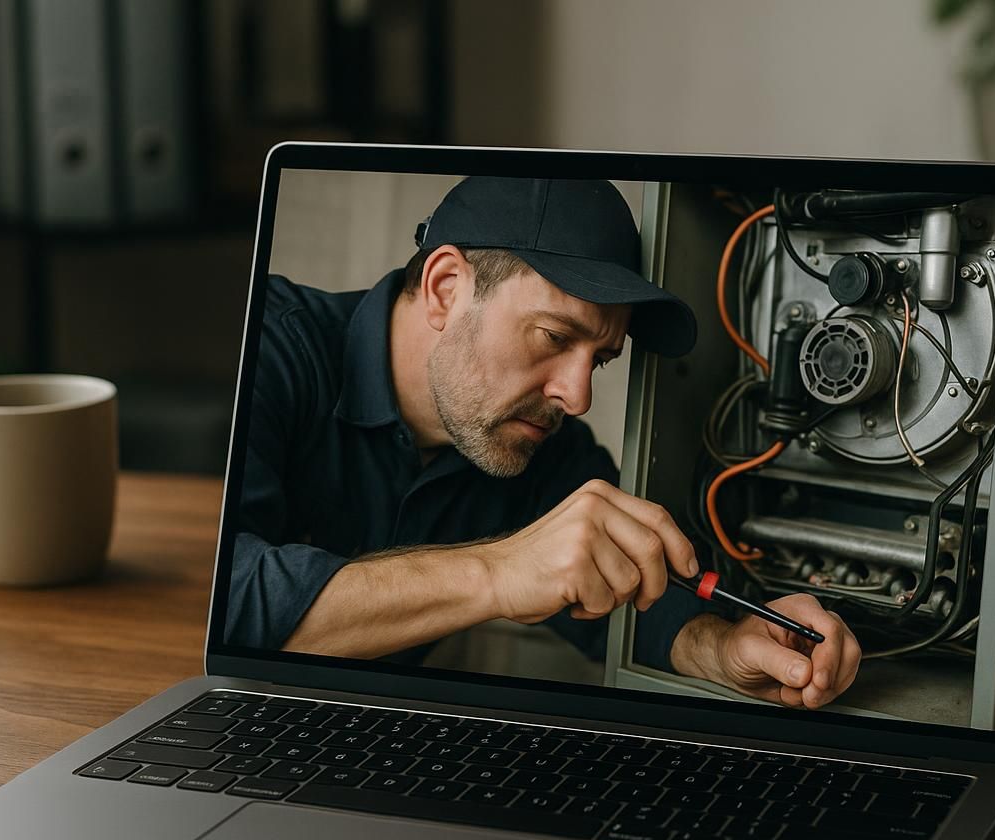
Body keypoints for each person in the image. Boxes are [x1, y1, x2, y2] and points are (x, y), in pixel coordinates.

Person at [227, 176, 861, 710]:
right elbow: (231, 601)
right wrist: (500, 571)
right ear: (447, 288)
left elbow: (642, 598)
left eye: (601, 360)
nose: (577, 396)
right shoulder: (269, 349)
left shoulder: (539, 447)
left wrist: (722, 648)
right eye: (555, 338)